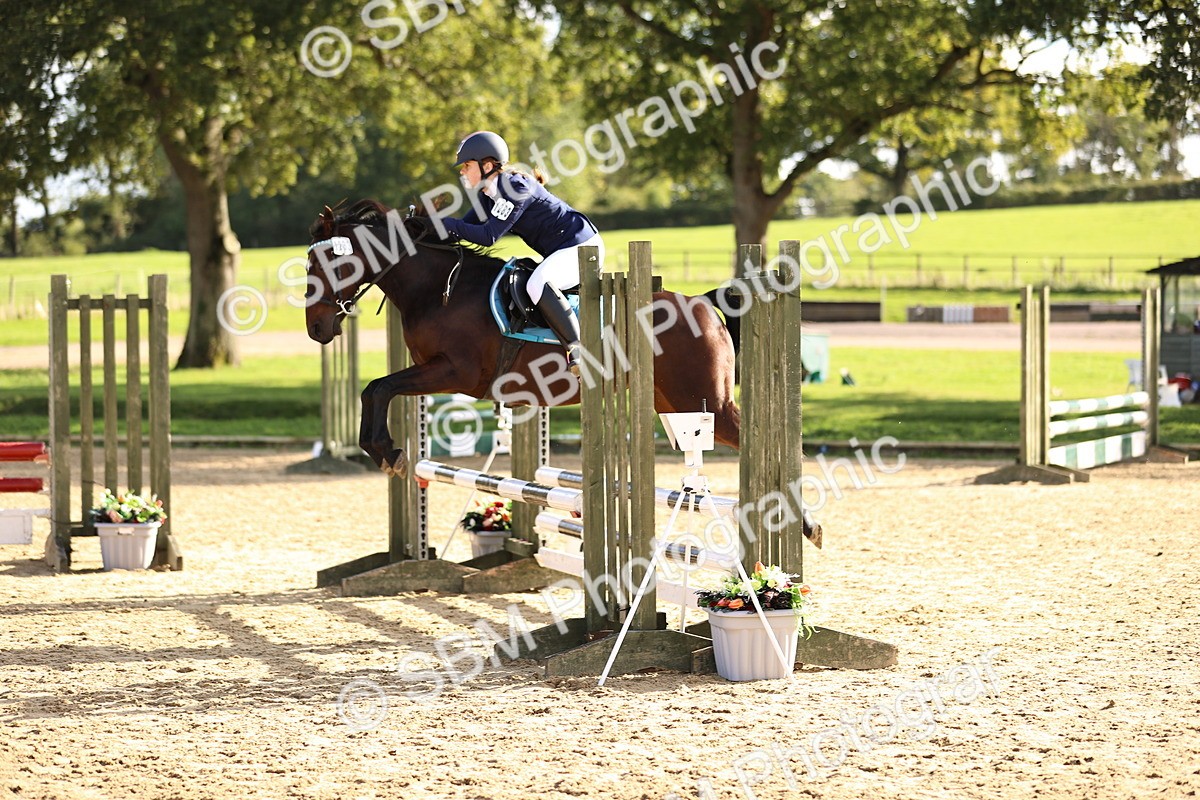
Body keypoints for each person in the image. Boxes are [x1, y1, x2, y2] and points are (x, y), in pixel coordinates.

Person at [441, 131, 603, 376]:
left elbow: (488, 236)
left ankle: (578, 351)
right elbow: (463, 229)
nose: (462, 171)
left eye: (466, 165)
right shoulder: (487, 196)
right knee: (536, 280)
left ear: (487, 165)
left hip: (581, 247)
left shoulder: (516, 187)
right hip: (562, 249)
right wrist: (424, 227)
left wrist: (443, 223)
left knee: (538, 283)